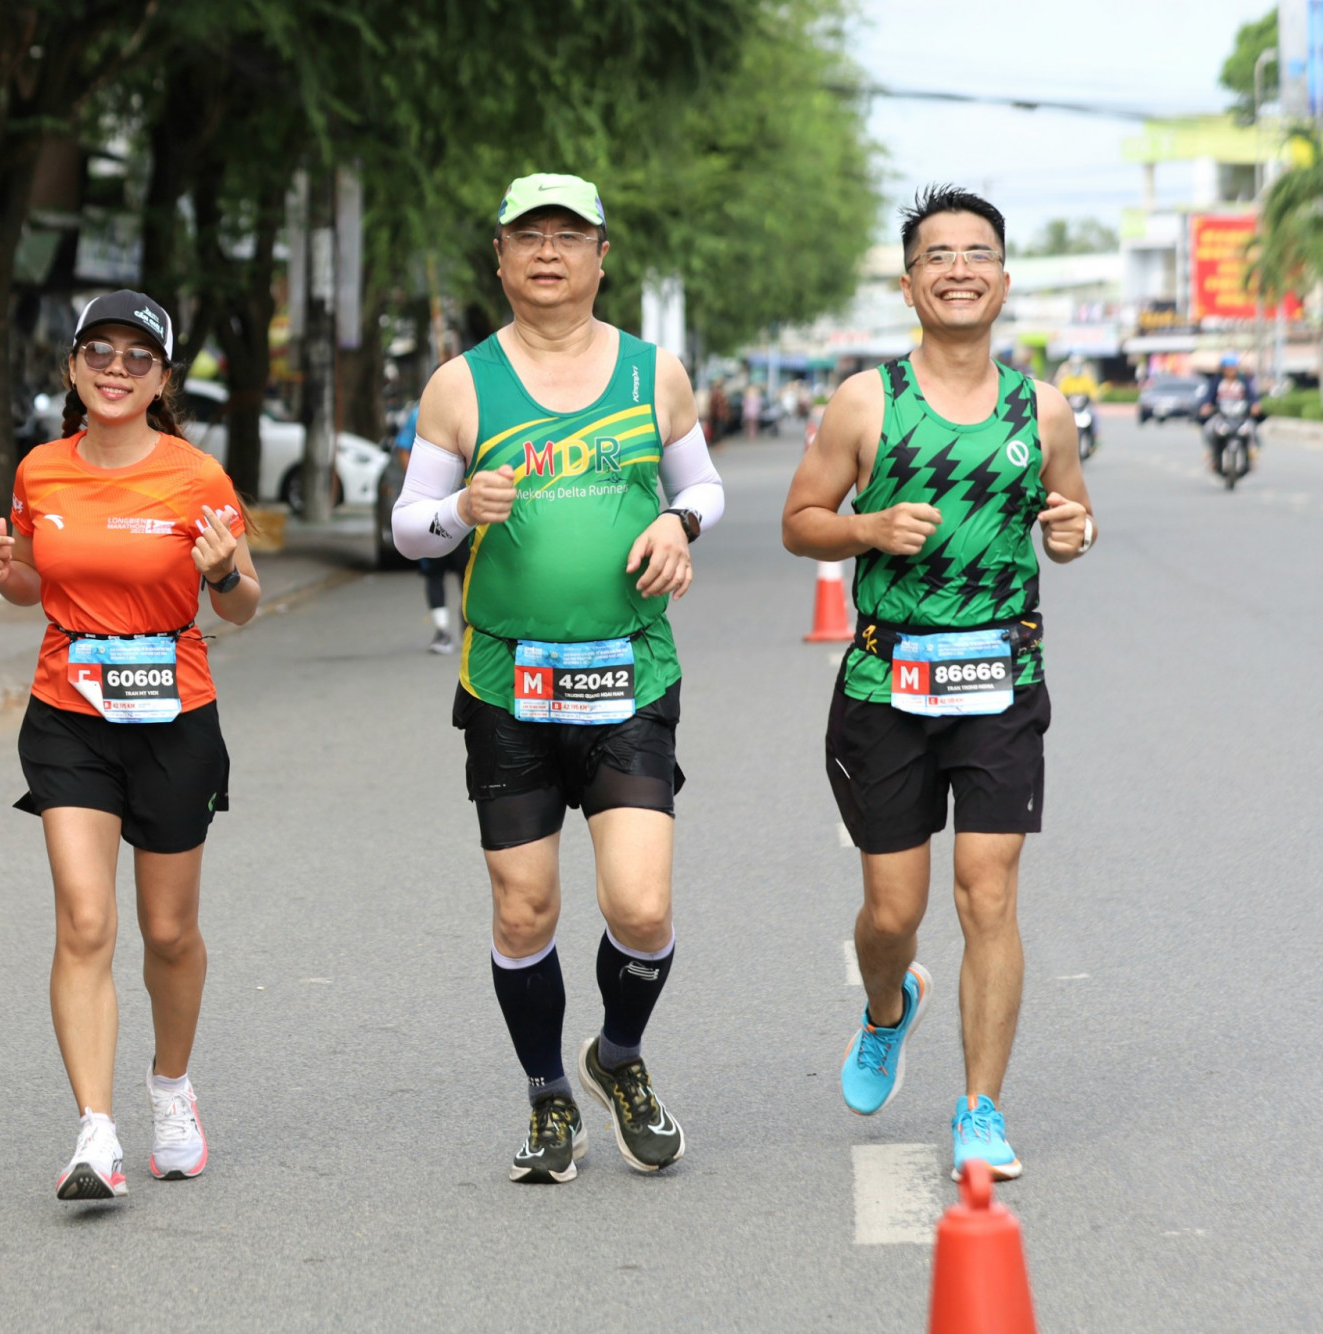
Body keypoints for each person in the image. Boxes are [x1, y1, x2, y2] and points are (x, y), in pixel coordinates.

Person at [391, 174, 724, 1184]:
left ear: (599, 254)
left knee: (640, 906)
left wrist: (678, 520)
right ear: (497, 258)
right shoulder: (461, 384)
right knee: (522, 910)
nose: (546, 252)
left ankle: (614, 1058)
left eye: (567, 236)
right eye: (525, 236)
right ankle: (546, 1096)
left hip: (628, 674)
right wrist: (459, 511)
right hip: (508, 685)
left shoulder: (650, 372)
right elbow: (409, 526)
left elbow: (699, 480)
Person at [780, 186, 1095, 1182]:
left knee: (987, 891)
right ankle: (887, 1003)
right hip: (884, 678)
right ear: (908, 280)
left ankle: (978, 1107)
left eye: (977, 252)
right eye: (936, 254)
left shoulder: (1038, 407)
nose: (957, 268)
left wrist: (1071, 533)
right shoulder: (866, 401)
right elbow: (799, 518)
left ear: (1001, 277)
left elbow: (1069, 519)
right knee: (890, 911)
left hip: (1000, 677)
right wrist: (865, 528)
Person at [0, 291, 261, 1200]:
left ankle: (170, 1087)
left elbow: (242, 604)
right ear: (71, 367)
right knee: (84, 920)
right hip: (69, 715)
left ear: (162, 379)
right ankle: (95, 1133)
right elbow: (31, 583)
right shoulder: (40, 472)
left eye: (139, 358)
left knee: (167, 931)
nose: (116, 369)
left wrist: (221, 572)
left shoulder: (196, 477)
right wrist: (2, 572)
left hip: (174, 715)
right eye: (99, 351)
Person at [394, 401, 471, 652]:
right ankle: (442, 632)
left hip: (466, 512)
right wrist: (420, 485)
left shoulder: (475, 406)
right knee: (434, 571)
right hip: (431, 511)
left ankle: (467, 632)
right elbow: (403, 450)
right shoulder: (421, 411)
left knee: (468, 574)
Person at [1200, 353, 1261, 472]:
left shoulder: (1243, 380)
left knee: (1251, 428)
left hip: (1240, 415)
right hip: (1221, 414)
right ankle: (1212, 452)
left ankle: (1252, 453)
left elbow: (1252, 396)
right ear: (1222, 369)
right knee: (1209, 428)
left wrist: (1254, 405)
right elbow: (1209, 396)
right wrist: (1206, 405)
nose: (1230, 370)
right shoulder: (1216, 381)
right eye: (1227, 368)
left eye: (1232, 367)